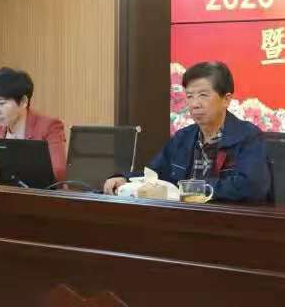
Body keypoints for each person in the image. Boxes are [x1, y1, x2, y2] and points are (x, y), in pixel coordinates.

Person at [103, 61, 271, 202]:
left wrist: (192, 189)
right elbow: (154, 175)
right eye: (190, 96)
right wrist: (124, 178)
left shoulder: (248, 137)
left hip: (229, 223)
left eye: (203, 95)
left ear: (226, 99)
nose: (194, 104)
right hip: (183, 220)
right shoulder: (183, 137)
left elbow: (252, 187)